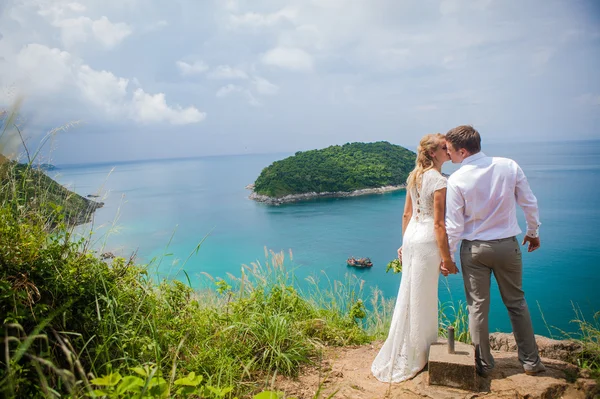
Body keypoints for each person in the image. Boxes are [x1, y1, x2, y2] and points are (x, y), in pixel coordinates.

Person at [444, 125, 546, 377]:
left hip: (474, 250)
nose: (449, 155)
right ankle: (531, 363)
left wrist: (448, 256)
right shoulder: (509, 165)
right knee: (517, 303)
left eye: (450, 150)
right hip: (506, 246)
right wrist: (532, 232)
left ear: (463, 151)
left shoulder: (456, 179)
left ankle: (484, 365)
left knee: (477, 307)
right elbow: (529, 202)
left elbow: (454, 226)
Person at [371, 133, 458, 383]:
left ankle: (413, 348)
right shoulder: (439, 181)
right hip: (428, 241)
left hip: (412, 239)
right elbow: (439, 225)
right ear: (433, 153)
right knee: (423, 295)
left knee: (410, 292)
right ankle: (418, 354)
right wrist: (447, 258)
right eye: (444, 147)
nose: (448, 149)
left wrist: (404, 243)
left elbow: (406, 214)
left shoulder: (414, 177)